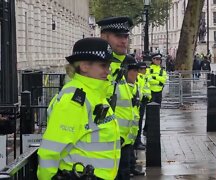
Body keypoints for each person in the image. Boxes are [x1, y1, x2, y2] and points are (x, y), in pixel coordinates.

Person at [37, 38, 121, 180]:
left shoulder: (94, 93)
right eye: (103, 65)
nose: (108, 71)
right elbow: (52, 148)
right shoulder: (74, 99)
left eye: (109, 66)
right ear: (84, 66)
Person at [97, 16, 144, 179]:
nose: (124, 41)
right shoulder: (100, 69)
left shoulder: (119, 68)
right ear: (104, 37)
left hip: (122, 144)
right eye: (118, 36)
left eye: (126, 36)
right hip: (104, 147)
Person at [134, 62, 151, 150]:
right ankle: (136, 142)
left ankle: (138, 141)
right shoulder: (138, 78)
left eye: (145, 69)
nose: (144, 70)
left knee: (139, 123)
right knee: (138, 124)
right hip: (138, 103)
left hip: (142, 102)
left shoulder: (143, 77)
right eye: (142, 69)